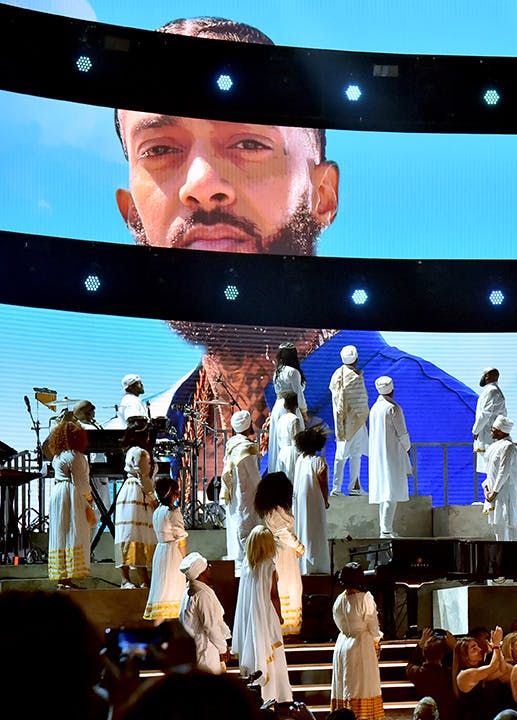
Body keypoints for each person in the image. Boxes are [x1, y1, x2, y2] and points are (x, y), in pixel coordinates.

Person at [118, 18, 476, 505]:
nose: (200, 184)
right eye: (160, 149)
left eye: (248, 144)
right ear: (131, 214)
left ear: (323, 195)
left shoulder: (452, 424)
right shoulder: (152, 426)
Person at [231, 525, 293, 704]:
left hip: (250, 617)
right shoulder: (269, 565)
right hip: (265, 615)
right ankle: (275, 694)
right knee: (271, 652)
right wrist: (280, 615)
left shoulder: (246, 566)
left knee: (256, 649)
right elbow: (273, 594)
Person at [330, 563, 384, 720]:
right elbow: (373, 625)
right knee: (363, 686)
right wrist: (376, 642)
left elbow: (338, 622)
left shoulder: (339, 600)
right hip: (361, 644)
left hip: (342, 644)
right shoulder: (365, 598)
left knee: (345, 685)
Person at [46, 421, 94, 588]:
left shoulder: (58, 456)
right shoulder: (76, 456)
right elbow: (80, 482)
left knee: (61, 532)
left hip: (58, 493)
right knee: (74, 530)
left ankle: (62, 578)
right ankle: (69, 576)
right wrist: (89, 498)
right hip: (71, 494)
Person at [255, 471, 304, 636]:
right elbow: (284, 533)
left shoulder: (276, 509)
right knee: (285, 586)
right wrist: (299, 546)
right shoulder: (274, 511)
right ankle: (282, 628)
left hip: (286, 552)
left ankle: (289, 628)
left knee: (291, 586)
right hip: (281, 552)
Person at [367, 376, 412, 538]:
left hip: (379, 455)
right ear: (392, 389)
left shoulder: (374, 409)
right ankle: (386, 530)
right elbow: (402, 433)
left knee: (385, 492)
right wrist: (407, 448)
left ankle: (385, 528)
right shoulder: (393, 408)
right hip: (392, 454)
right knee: (390, 492)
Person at [114, 426, 155, 589]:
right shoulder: (140, 453)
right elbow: (143, 476)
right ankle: (142, 579)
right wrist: (152, 497)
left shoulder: (132, 451)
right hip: (137, 493)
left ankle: (126, 579)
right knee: (137, 534)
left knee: (128, 533)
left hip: (129, 492)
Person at [178, 552, 232, 674]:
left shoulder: (192, 591)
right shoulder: (201, 595)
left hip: (199, 646)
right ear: (201, 573)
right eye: (208, 566)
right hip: (206, 647)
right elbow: (210, 626)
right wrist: (223, 648)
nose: (210, 569)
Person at [221, 410, 261, 569]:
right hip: (245, 495)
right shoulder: (246, 447)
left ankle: (238, 562)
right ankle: (244, 565)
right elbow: (254, 475)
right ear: (248, 425)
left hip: (233, 494)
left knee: (236, 526)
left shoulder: (231, 443)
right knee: (245, 528)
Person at [144, 478, 187, 622]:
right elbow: (181, 539)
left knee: (162, 590)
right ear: (174, 494)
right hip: (172, 553)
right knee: (172, 589)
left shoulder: (157, 511)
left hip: (161, 551)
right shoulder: (173, 512)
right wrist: (185, 560)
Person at [329, 344, 369, 496]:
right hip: (355, 422)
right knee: (355, 454)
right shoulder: (354, 378)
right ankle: (354, 487)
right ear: (356, 359)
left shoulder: (336, 374)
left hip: (341, 422)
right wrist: (364, 415)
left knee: (341, 456)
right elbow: (360, 403)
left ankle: (336, 488)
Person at [292, 426, 330, 575]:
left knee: (303, 529)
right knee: (315, 531)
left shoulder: (300, 460)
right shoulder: (319, 461)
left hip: (300, 502)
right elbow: (323, 483)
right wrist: (326, 501)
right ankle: (317, 566)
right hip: (315, 501)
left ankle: (304, 565)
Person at [267, 344, 307, 475]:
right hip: (290, 406)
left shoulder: (277, 372)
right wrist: (304, 411)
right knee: (294, 441)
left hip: (278, 407)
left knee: (279, 442)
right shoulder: (292, 372)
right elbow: (298, 393)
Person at [483, 416, 517, 542]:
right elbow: (489, 471)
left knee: (509, 524)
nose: (491, 430)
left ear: (500, 431)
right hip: (493, 493)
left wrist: (494, 492)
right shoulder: (493, 447)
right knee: (498, 526)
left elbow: (503, 472)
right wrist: (486, 489)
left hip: (505, 492)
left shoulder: (508, 447)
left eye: (494, 428)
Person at [454, 627, 507, 720]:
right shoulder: (464, 675)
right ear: (465, 656)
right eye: (474, 648)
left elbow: (501, 670)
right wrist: (496, 645)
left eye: (477, 646)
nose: (479, 649)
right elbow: (492, 667)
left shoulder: (478, 673)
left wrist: (498, 650)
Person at [473, 368, 507, 472]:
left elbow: (485, 414)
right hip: (489, 432)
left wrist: (475, 430)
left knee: (491, 465)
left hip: (489, 434)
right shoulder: (493, 390)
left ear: (487, 376)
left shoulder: (491, 391)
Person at [271, 391, 303, 481]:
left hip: (282, 452)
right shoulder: (294, 420)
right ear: (296, 405)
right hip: (292, 453)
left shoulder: (281, 419)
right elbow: (296, 440)